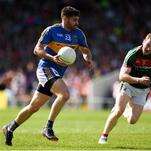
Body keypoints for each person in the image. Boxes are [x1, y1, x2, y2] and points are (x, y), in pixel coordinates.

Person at [3, 6, 93, 146]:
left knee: (33, 107)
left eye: (77, 19)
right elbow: (37, 50)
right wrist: (52, 57)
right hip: (46, 68)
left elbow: (86, 51)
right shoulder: (52, 31)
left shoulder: (79, 34)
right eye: (74, 19)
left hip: (57, 73)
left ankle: (10, 128)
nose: (77, 22)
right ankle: (48, 127)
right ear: (65, 18)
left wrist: (88, 58)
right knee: (65, 94)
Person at [98, 33, 151, 144]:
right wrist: (138, 80)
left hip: (143, 90)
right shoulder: (133, 54)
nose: (149, 49)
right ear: (143, 41)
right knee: (117, 112)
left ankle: (125, 107)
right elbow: (121, 76)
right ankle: (104, 136)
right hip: (128, 85)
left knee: (132, 121)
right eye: (148, 45)